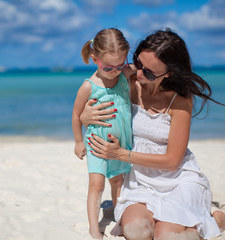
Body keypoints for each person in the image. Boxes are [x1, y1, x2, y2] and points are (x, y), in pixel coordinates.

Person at [82, 29, 225, 240]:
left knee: (167, 236)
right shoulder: (128, 79)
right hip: (140, 180)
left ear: (169, 73)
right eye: (138, 63)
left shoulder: (180, 99)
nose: (141, 73)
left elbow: (172, 161)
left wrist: (121, 155)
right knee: (137, 231)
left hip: (177, 179)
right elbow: (94, 96)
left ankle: (216, 219)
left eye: (150, 72)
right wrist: (85, 116)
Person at [72, 28, 135, 240]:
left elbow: (141, 70)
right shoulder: (88, 86)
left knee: (118, 183)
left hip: (121, 144)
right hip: (96, 144)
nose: (115, 71)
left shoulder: (124, 76)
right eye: (108, 67)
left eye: (121, 65)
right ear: (95, 59)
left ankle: (119, 219)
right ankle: (93, 227)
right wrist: (79, 141)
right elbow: (76, 114)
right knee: (96, 185)